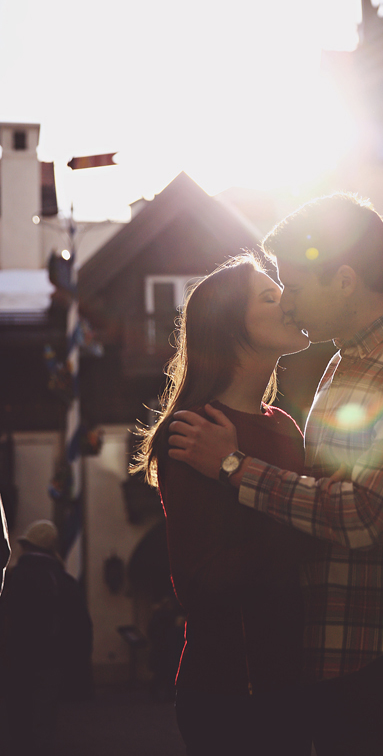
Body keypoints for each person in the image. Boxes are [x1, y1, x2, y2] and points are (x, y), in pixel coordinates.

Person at [168, 193, 383, 756]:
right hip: (330, 674)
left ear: (343, 280)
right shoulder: (339, 367)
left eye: (294, 284)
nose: (288, 302)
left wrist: (235, 467)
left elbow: (364, 514)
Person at [131, 254, 313, 756]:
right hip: (233, 691)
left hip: (292, 683)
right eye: (269, 297)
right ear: (230, 326)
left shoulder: (283, 424)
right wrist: (309, 530)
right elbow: (204, 578)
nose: (288, 303)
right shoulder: (193, 429)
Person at [0, 519, 93, 756]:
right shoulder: (64, 581)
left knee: (18, 725)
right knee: (42, 725)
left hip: (16, 662)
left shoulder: (14, 576)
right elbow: (81, 629)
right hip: (50, 664)